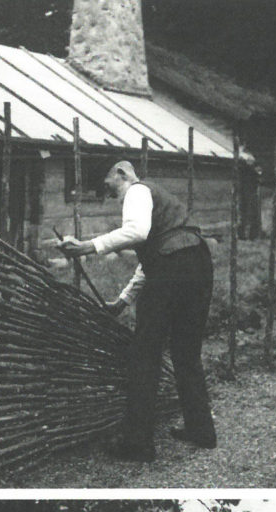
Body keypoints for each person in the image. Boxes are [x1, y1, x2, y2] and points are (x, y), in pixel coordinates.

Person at [58, 160, 217, 462]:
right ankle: (202, 431)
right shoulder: (162, 205)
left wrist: (88, 246)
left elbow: (138, 232)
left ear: (122, 173)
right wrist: (123, 301)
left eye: (111, 184)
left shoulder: (138, 190)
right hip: (198, 264)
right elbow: (154, 258)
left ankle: (138, 443)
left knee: (144, 354)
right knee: (186, 353)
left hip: (172, 268)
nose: (112, 193)